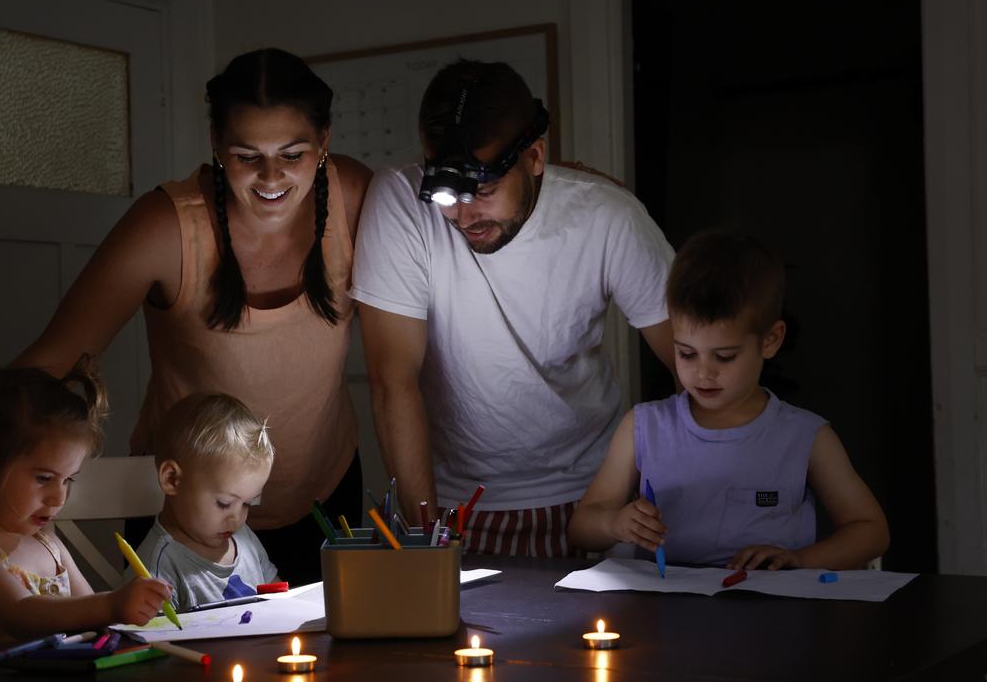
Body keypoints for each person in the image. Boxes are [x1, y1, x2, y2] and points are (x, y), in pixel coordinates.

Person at [0, 48, 371, 585]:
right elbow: (55, 357)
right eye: (246, 155)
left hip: (326, 495)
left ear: (324, 142)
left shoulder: (353, 196)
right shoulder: (165, 226)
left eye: (293, 154)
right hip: (182, 515)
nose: (270, 176)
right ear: (215, 146)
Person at [351, 60, 677, 557]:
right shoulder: (399, 202)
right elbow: (393, 382)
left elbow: (693, 362)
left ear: (536, 157)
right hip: (457, 505)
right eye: (446, 194)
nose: (463, 215)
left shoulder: (606, 215)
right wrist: (426, 543)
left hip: (594, 498)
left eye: (483, 191)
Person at [568, 230, 890, 570]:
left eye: (724, 357)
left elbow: (871, 531)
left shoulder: (806, 437)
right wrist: (614, 523)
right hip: (667, 613)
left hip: (774, 614)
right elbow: (581, 531)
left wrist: (799, 560)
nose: (703, 373)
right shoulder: (644, 427)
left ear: (770, 340)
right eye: (687, 354)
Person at [0, 362, 171, 655]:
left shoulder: (48, 544)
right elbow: (19, 613)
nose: (58, 498)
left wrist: (130, 606)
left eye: (68, 480)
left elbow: (90, 613)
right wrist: (112, 604)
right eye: (44, 478)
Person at [129, 393, 280, 611]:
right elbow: (155, 641)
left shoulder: (243, 538)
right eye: (224, 503)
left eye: (247, 503)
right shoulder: (158, 568)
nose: (237, 518)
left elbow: (277, 594)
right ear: (172, 479)